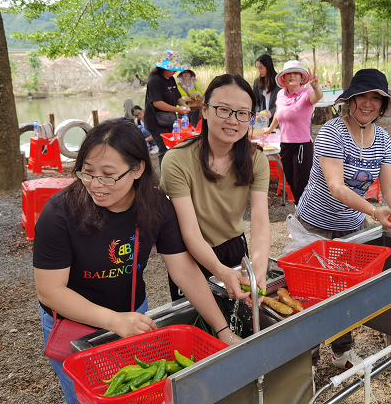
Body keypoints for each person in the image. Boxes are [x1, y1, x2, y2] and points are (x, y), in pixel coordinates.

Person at [33, 119, 239, 404]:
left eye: (108, 175)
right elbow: (50, 291)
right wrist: (113, 321)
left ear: (138, 169)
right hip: (74, 323)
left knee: (135, 393)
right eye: (87, 172)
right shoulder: (59, 213)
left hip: (131, 313)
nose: (96, 185)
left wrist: (222, 330)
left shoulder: (157, 206)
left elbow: (184, 271)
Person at [296, 68, 391, 370]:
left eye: (375, 98)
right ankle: (306, 360)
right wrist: (375, 212)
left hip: (352, 227)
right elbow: (336, 187)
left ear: (383, 104)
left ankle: (342, 351)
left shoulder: (383, 139)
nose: (368, 103)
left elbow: (390, 187)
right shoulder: (332, 132)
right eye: (362, 96)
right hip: (315, 226)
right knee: (311, 293)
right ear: (349, 100)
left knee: (346, 290)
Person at [160, 74, 271, 304]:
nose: (233, 120)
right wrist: (220, 271)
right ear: (205, 110)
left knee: (238, 312)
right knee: (196, 317)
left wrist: (259, 269)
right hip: (190, 254)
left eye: (242, 113)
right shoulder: (177, 161)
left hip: (234, 245)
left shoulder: (256, 160)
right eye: (223, 110)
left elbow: (260, 221)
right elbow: (190, 232)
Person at [263, 60, 323, 203]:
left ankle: (303, 211)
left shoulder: (307, 93)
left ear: (302, 77)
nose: (292, 76)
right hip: (285, 144)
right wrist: (270, 129)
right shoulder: (280, 95)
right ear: (283, 77)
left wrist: (316, 87)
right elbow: (278, 113)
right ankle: (302, 209)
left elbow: (318, 96)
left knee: (300, 185)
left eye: (296, 73)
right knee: (290, 181)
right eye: (288, 73)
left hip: (302, 145)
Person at [143, 50, 191, 166]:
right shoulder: (155, 80)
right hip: (155, 121)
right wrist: (178, 109)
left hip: (169, 119)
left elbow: (177, 96)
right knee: (164, 149)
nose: (175, 71)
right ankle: (164, 175)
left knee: (172, 148)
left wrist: (184, 106)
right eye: (173, 69)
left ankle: (172, 171)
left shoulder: (171, 79)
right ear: (165, 67)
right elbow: (157, 103)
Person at [252, 54, 281, 126]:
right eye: (258, 68)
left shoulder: (280, 82)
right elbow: (256, 101)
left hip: (277, 120)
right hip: (262, 121)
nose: (259, 71)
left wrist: (272, 112)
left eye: (261, 68)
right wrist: (258, 111)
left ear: (268, 66)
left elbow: (284, 102)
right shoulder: (257, 82)